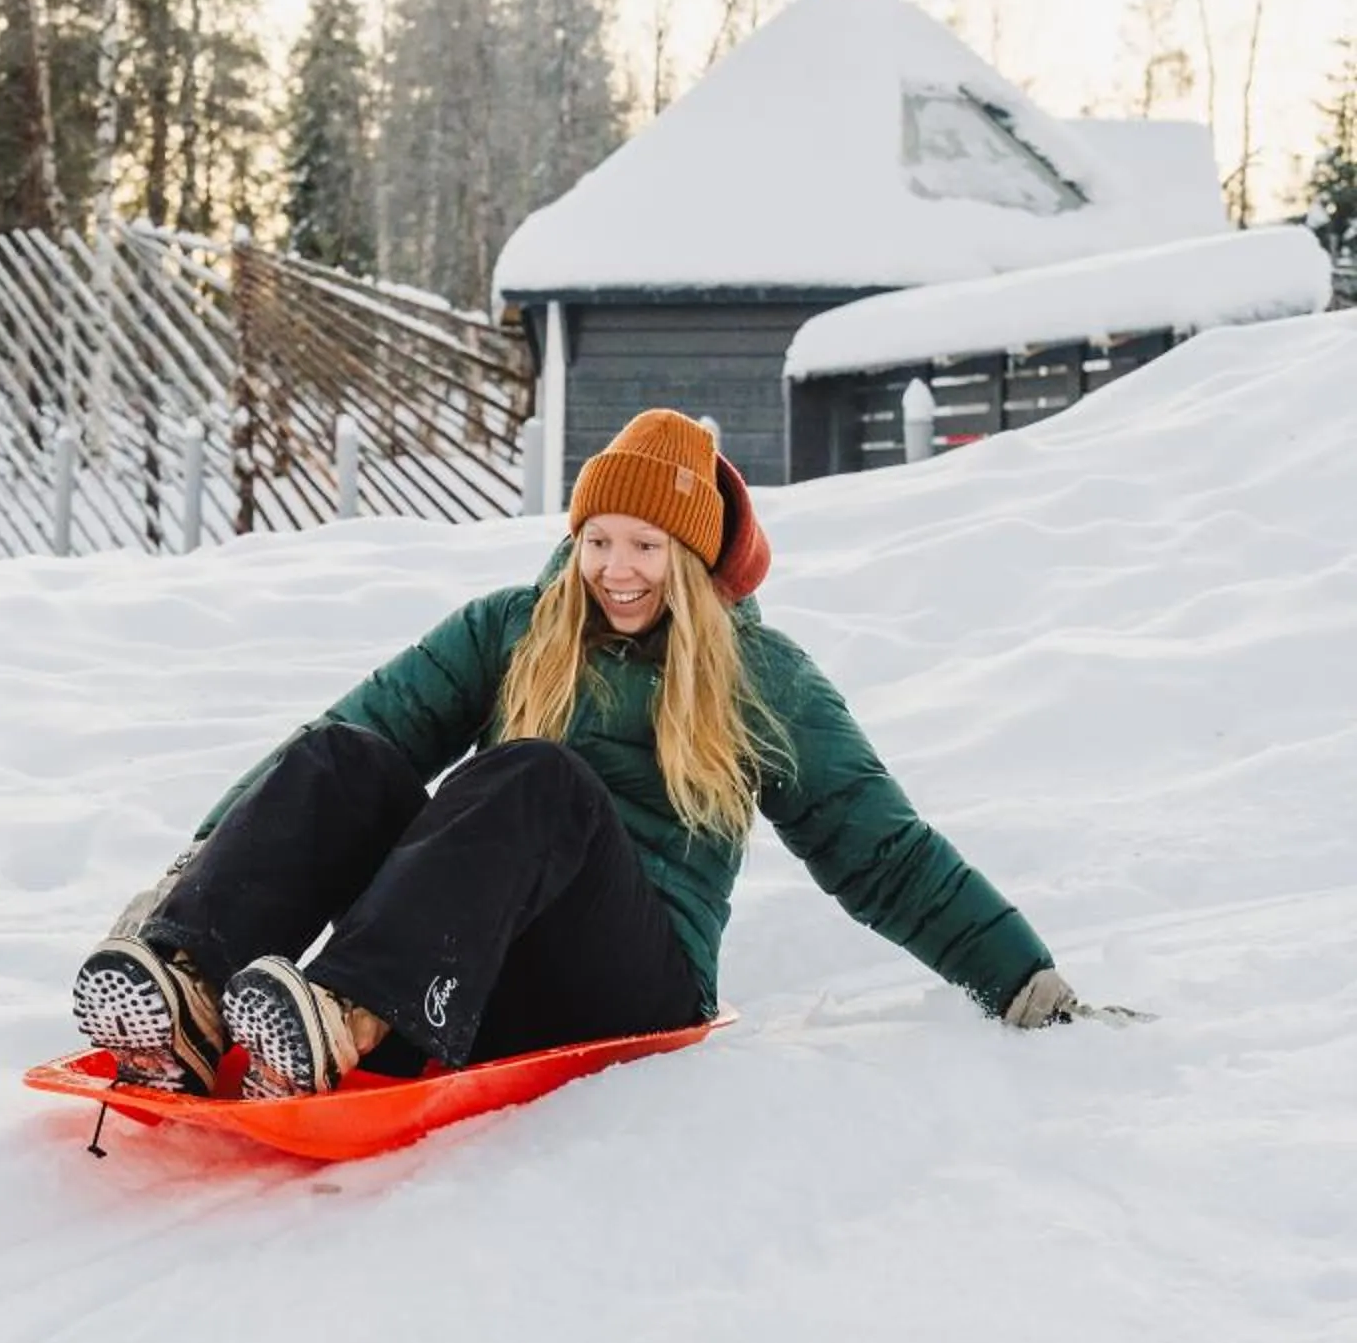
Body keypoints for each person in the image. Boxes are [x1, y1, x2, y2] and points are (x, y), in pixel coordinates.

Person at [71, 407, 1085, 1100]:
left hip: (636, 988)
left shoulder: (760, 677)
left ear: (688, 560)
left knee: (537, 778)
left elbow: (882, 853)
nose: (615, 568)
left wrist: (1022, 981)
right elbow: (351, 739)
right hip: (478, 965)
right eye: (598, 539)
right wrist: (192, 871)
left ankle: (346, 1021)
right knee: (349, 752)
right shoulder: (512, 626)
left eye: (646, 546)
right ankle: (187, 991)